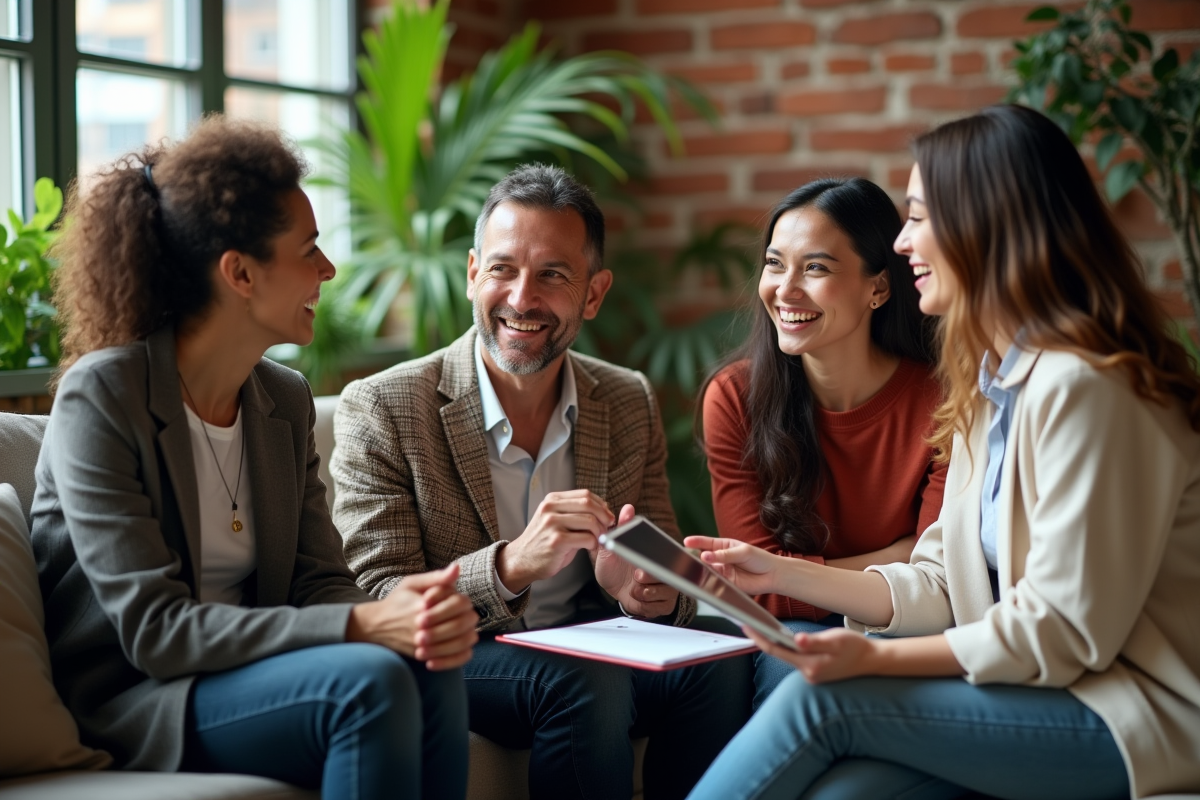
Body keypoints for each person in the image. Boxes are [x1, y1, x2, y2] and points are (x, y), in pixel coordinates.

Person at [683, 103, 1200, 799]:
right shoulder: (990, 386)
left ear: (989, 227)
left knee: (820, 701)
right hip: (1035, 691)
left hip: (1134, 711)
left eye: (921, 218)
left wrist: (872, 660)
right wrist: (774, 571)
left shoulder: (1088, 387)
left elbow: (1060, 633)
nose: (902, 244)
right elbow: (940, 582)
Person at [32, 117, 478, 800]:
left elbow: (318, 580)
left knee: (428, 663)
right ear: (239, 272)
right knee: (370, 682)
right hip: (137, 697)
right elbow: (154, 631)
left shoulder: (283, 400)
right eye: (309, 249)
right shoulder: (103, 396)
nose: (328, 270)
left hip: (251, 676)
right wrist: (360, 626)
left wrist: (400, 611)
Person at [332, 163, 752, 800]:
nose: (522, 298)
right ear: (472, 273)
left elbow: (667, 576)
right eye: (502, 269)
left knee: (723, 656)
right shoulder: (385, 405)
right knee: (584, 678)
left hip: (588, 647)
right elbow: (376, 596)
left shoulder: (626, 398)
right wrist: (511, 566)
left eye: (553, 275)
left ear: (594, 294)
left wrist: (644, 593)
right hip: (459, 656)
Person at [699, 177, 945, 708]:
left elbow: (934, 575)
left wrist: (791, 572)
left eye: (815, 268)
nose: (785, 290)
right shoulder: (734, 398)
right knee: (785, 675)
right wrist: (892, 558)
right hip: (789, 630)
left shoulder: (944, 401)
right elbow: (753, 584)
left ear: (878, 287)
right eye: (774, 264)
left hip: (907, 625)